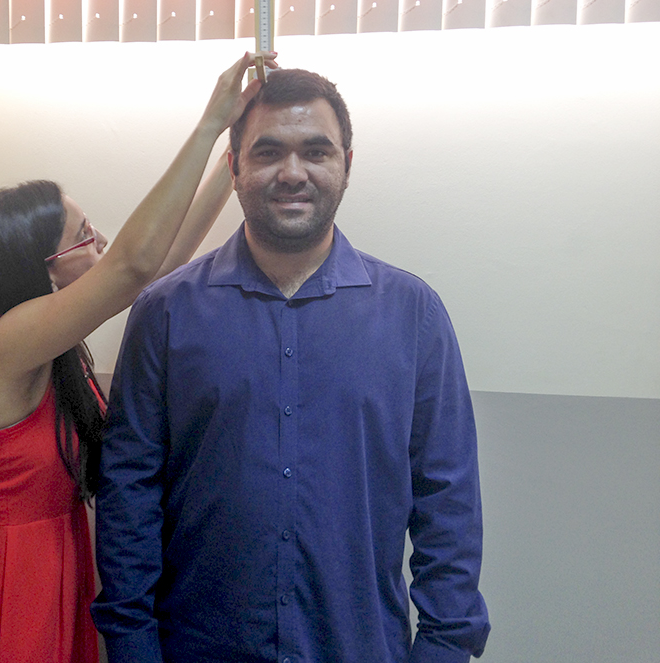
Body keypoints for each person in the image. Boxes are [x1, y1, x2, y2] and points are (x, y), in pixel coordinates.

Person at [92, 68, 491, 663]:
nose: (293, 172)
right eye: (268, 152)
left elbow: (448, 500)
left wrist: (443, 647)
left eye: (316, 152)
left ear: (346, 165)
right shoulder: (166, 313)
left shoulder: (413, 314)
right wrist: (131, 645)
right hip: (198, 648)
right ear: (234, 167)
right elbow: (129, 495)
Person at [0, 52, 277, 663]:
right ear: (43, 267)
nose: (103, 243)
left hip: (55, 573)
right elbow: (133, 266)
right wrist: (208, 124)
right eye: (86, 236)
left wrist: (235, 155)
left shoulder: (48, 348)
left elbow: (157, 266)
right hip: (6, 595)